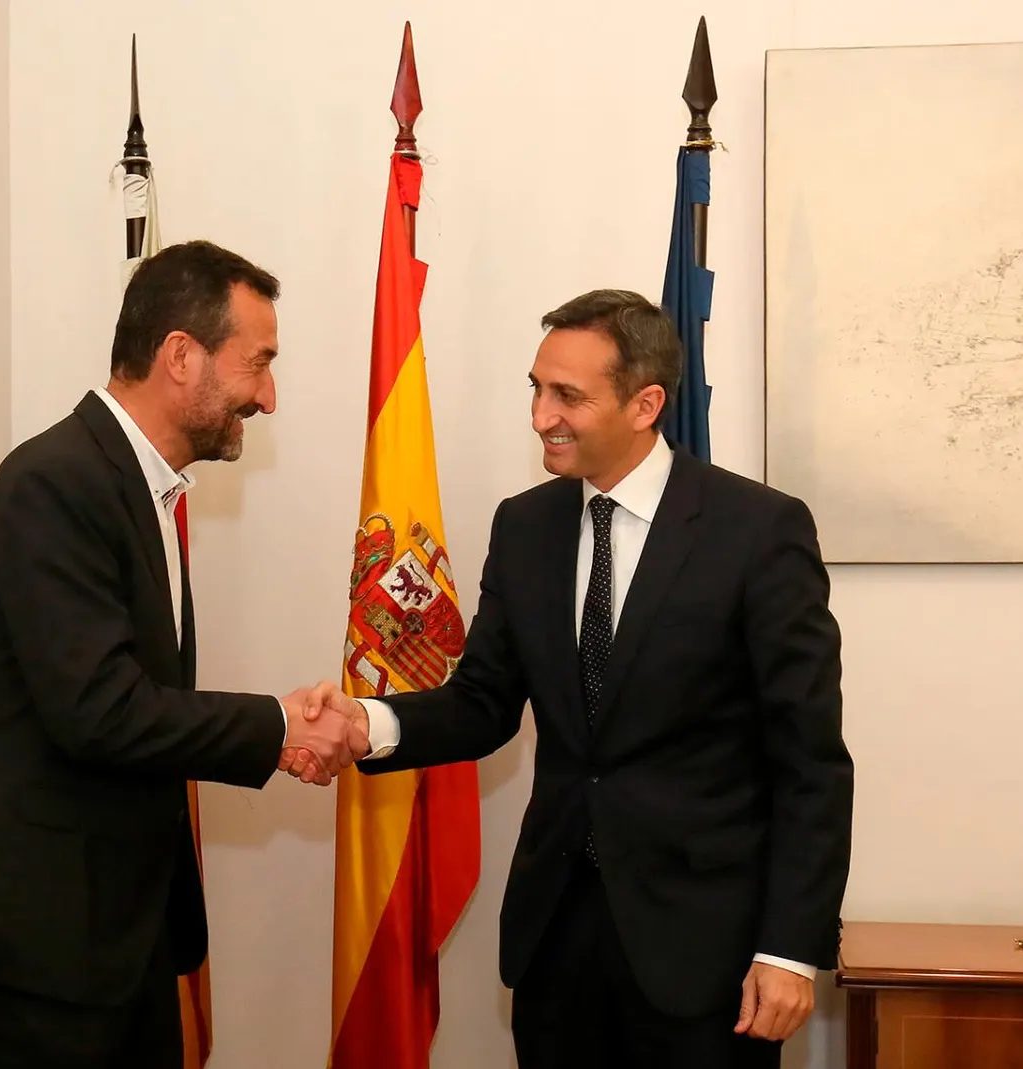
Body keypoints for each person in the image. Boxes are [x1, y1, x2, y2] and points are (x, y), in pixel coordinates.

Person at [311, 289, 853, 1068]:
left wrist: (791, 948)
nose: (541, 415)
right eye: (536, 387)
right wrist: (368, 724)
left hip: (707, 957)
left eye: (568, 395)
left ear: (646, 404)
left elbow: (811, 762)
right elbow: (483, 702)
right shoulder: (524, 525)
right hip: (556, 944)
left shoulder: (758, 531)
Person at [0, 239, 370, 1069]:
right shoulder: (55, 483)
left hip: (113, 933)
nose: (267, 395)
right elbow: (100, 711)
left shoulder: (137, 484)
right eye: (256, 363)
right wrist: (277, 727)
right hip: (36, 943)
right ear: (180, 356)